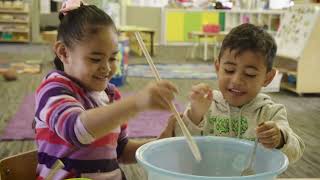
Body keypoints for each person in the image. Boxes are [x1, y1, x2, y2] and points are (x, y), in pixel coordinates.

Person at [34, 1, 177, 179]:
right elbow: (77, 130)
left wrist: (157, 145)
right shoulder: (53, 89)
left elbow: (120, 151)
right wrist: (138, 102)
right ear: (63, 53)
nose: (107, 68)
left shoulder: (111, 95)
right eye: (95, 59)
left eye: (112, 58)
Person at [164, 23, 304, 163]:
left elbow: (295, 151)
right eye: (229, 70)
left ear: (267, 78)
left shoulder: (271, 112)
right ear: (218, 67)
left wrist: (280, 138)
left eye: (250, 74)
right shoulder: (205, 105)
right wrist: (194, 115)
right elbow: (182, 147)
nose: (237, 80)